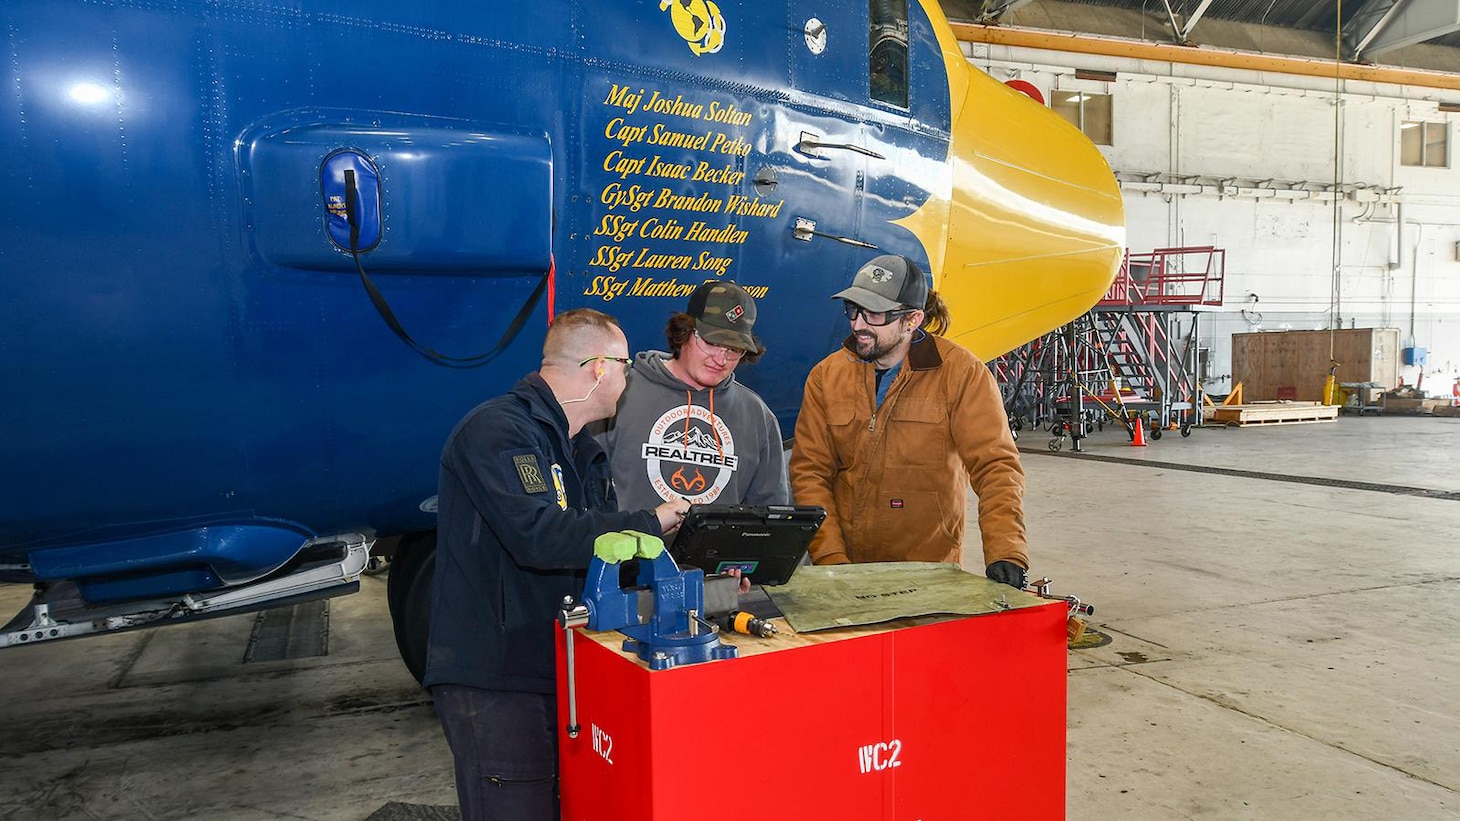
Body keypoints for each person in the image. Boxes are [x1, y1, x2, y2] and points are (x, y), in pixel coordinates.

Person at [424, 308, 690, 821]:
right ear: (597, 367)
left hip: (561, 668)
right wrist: (648, 522)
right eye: (624, 364)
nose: (627, 377)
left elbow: (599, 556)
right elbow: (538, 537)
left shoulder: (580, 452)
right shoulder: (498, 431)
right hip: (498, 676)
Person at [788, 255, 1028, 588]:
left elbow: (996, 466)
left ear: (912, 319)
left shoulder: (961, 374)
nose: (858, 324)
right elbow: (810, 472)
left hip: (929, 574)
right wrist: (831, 560)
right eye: (853, 310)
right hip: (847, 570)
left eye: (874, 314)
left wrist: (1006, 550)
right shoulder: (827, 376)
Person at [598, 280, 789, 514]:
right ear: (685, 332)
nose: (721, 359)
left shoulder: (758, 416)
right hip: (627, 548)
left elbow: (769, 512)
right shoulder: (621, 392)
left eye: (734, 349)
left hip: (719, 550)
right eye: (711, 342)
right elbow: (585, 486)